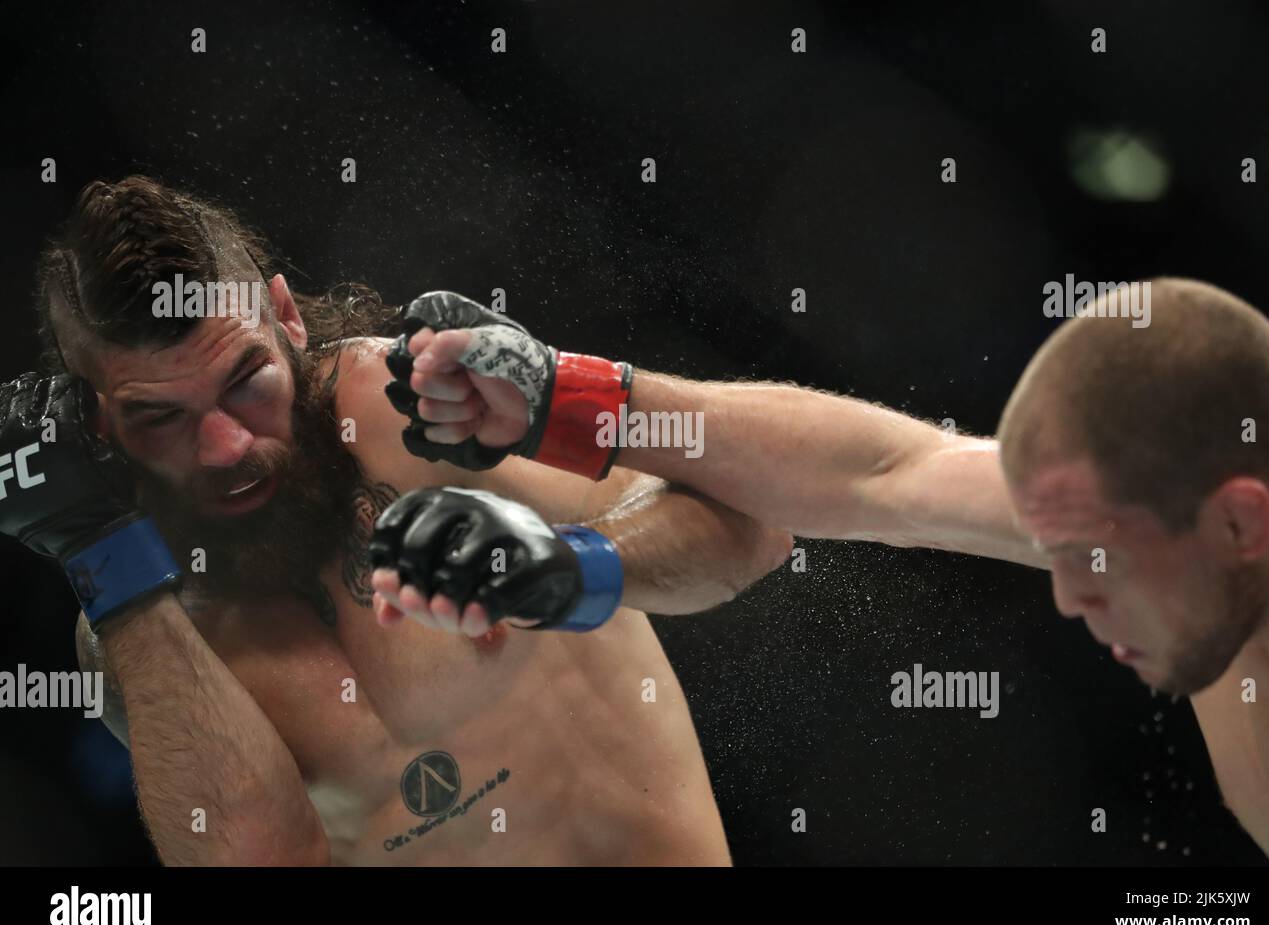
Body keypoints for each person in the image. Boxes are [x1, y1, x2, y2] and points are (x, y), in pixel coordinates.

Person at [0, 176, 792, 866]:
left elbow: (753, 519)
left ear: (287, 319)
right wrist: (110, 569)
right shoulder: (136, 625)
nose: (225, 446)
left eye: (247, 380)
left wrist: (569, 566)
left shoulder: (422, 404)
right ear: (94, 423)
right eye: (159, 418)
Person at [403, 277, 1269, 865]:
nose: (1068, 596)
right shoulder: (1183, 536)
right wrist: (569, 397)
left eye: (1093, 563)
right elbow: (881, 472)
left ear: (1238, 520)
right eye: (1054, 552)